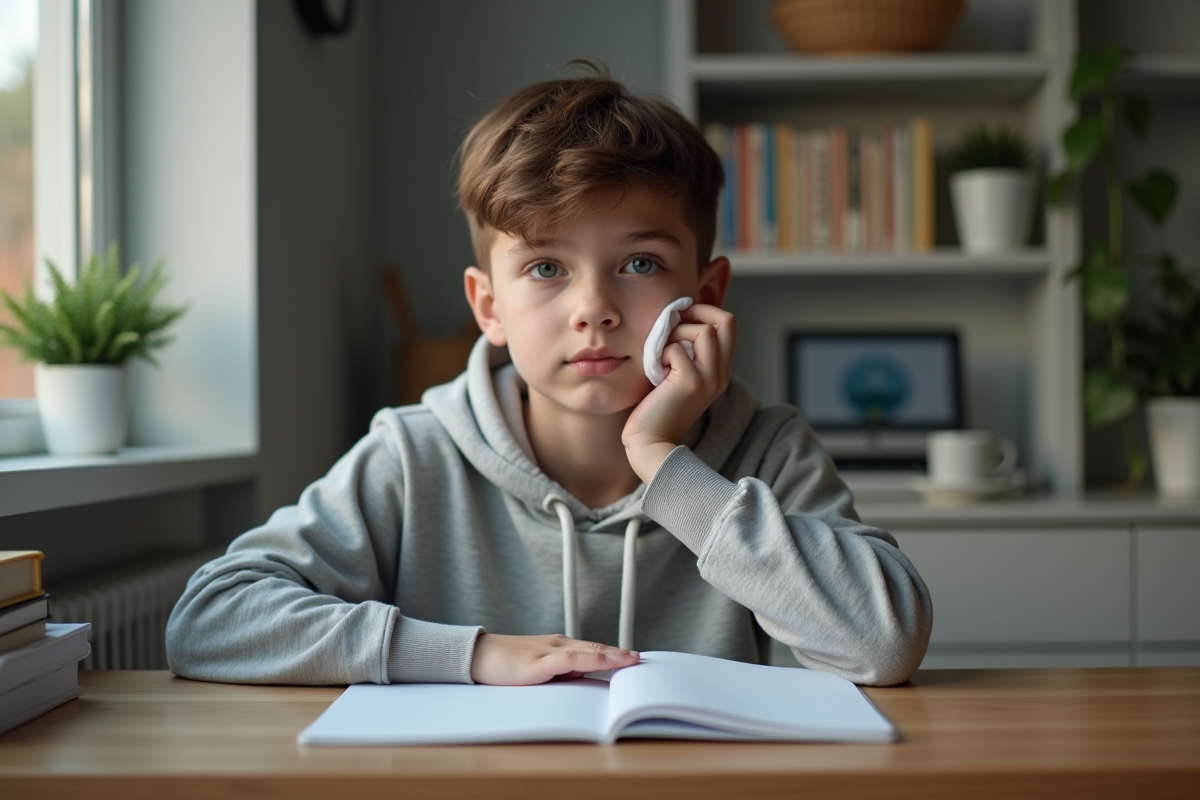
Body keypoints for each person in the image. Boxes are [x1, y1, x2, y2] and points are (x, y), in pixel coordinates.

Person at [167, 65, 932, 688]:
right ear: (488, 307)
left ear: (706, 295)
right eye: (545, 268)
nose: (594, 309)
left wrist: (665, 463)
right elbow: (210, 620)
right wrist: (469, 655)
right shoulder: (413, 455)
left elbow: (884, 643)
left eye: (640, 264)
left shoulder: (767, 449)